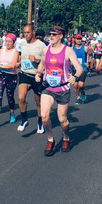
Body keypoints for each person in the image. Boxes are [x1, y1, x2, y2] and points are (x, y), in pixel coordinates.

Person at [35, 26, 83, 156]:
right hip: (48, 87)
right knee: (44, 116)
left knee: (62, 119)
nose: (51, 36)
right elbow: (42, 64)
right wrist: (38, 73)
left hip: (62, 88)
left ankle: (66, 137)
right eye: (50, 34)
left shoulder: (68, 51)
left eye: (54, 34)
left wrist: (75, 77)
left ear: (61, 36)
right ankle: (50, 139)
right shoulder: (46, 50)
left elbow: (79, 68)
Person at [16, 24, 46, 133]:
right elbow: (21, 57)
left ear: (33, 32)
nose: (26, 34)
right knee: (20, 98)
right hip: (24, 74)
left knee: (38, 102)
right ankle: (24, 119)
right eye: (24, 32)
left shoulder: (41, 45)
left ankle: (40, 122)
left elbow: (46, 62)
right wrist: (18, 62)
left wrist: (36, 61)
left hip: (37, 76)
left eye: (28, 32)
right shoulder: (22, 44)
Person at [0, 33, 19, 126]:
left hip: (11, 76)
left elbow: (12, 65)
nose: (7, 43)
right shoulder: (1, 51)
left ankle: (11, 113)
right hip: (1, 75)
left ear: (13, 42)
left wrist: (1, 66)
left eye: (9, 42)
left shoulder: (15, 52)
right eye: (6, 41)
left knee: (10, 96)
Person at [71, 34, 89, 105]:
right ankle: (78, 98)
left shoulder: (85, 48)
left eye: (80, 39)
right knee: (75, 85)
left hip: (83, 69)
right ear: (75, 40)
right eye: (77, 39)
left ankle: (82, 92)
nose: (78, 40)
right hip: (74, 69)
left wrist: (88, 62)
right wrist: (70, 62)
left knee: (81, 84)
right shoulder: (72, 48)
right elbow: (69, 57)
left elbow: (90, 55)